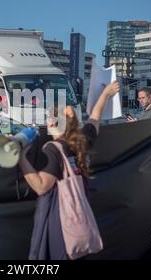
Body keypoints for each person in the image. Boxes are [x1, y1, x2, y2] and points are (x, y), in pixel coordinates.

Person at [19, 81, 120, 260]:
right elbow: (95, 118)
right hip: (80, 219)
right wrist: (106, 94)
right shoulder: (81, 141)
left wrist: (20, 158)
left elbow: (42, 186)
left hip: (60, 222)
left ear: (52, 122)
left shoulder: (53, 149)